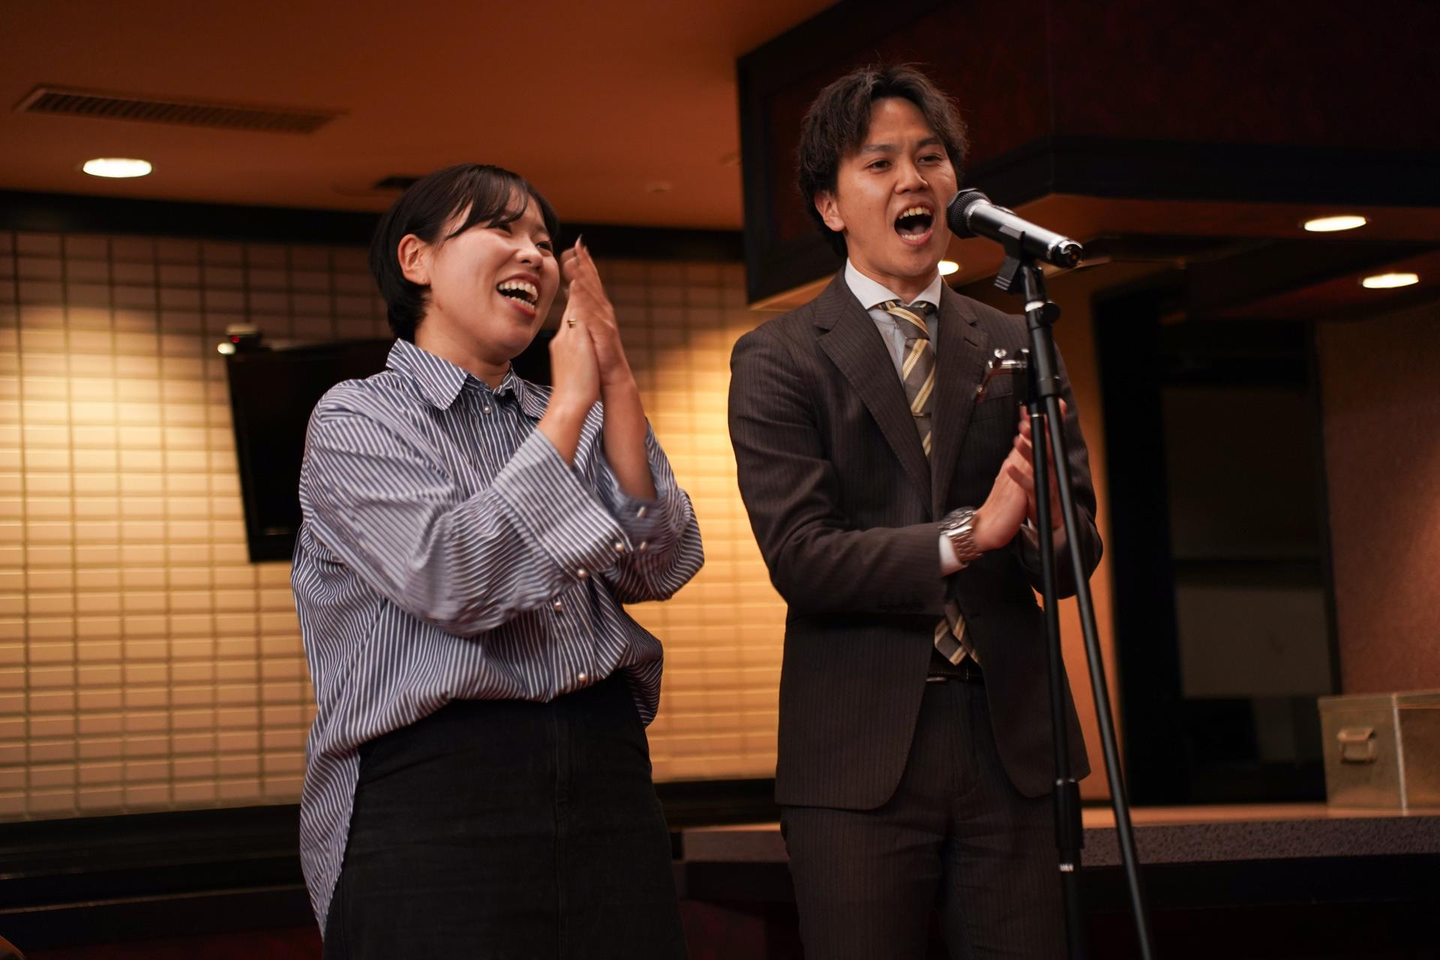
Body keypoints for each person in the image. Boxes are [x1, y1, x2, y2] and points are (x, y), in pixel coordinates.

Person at [727, 65, 1101, 959]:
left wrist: (1045, 522)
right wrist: (971, 535)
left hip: (1014, 741)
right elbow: (803, 557)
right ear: (829, 205)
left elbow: (1073, 555)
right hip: (857, 757)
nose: (914, 180)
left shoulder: (1018, 339)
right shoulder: (780, 357)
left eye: (931, 159)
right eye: (880, 163)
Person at [293, 163, 702, 959]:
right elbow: (454, 577)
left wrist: (614, 377)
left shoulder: (566, 412)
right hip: (437, 783)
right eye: (502, 229)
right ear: (416, 259)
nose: (534, 256)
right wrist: (573, 403)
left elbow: (661, 564)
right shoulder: (356, 417)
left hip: (607, 769)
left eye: (545, 242)